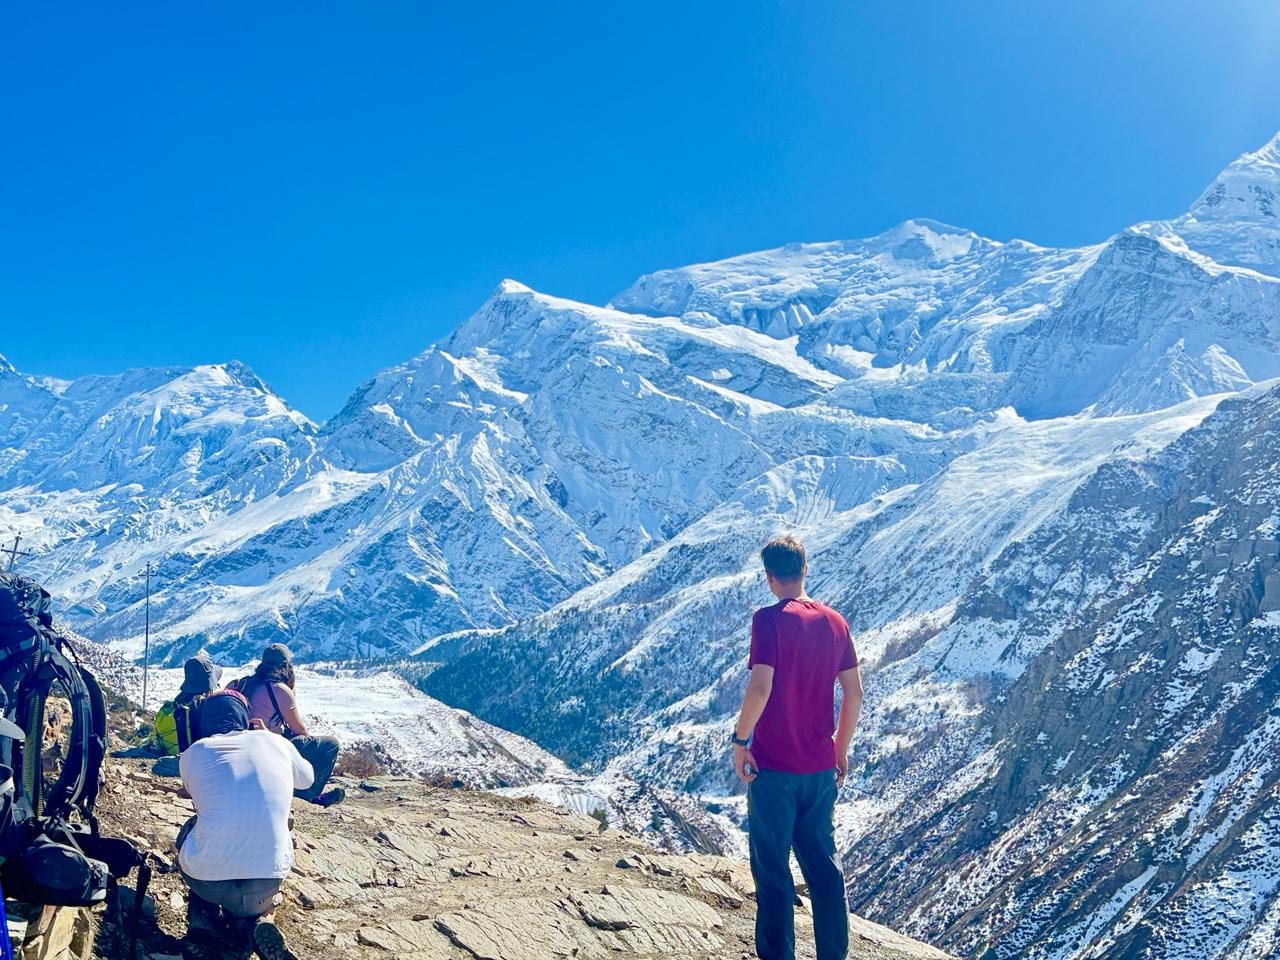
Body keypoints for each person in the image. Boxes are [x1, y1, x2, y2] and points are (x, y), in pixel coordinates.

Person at [731, 535, 863, 960]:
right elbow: (854, 693)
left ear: (770, 577)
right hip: (820, 770)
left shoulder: (767, 621)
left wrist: (740, 741)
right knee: (825, 871)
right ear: (806, 569)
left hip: (775, 770)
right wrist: (840, 748)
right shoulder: (835, 622)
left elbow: (761, 686)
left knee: (773, 875)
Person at [177, 689, 312, 960]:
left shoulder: (194, 753)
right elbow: (307, 780)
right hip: (264, 882)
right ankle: (257, 922)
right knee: (282, 823)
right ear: (244, 716)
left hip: (207, 881)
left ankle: (202, 920)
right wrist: (275, 740)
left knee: (194, 829)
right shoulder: (275, 743)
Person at [231, 643, 344, 808]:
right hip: (267, 748)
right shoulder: (279, 690)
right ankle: (308, 796)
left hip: (240, 747)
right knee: (329, 744)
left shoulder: (241, 683)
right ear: (286, 665)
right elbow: (301, 731)